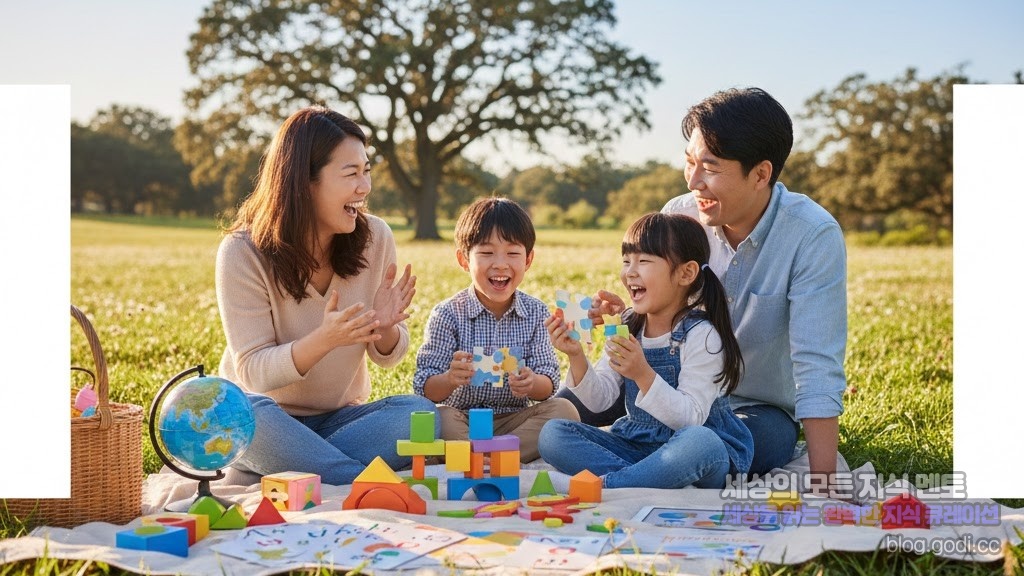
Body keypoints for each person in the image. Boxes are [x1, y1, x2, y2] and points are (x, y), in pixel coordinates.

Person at [560, 87, 847, 491]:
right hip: (662, 390)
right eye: (690, 163)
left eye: (710, 168)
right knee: (563, 415)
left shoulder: (811, 235)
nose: (694, 182)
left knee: (739, 442)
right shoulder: (679, 216)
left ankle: (623, 479)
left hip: (751, 410)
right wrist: (629, 314)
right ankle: (656, 469)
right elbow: (664, 304)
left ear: (761, 174)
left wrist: (825, 482)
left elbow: (816, 367)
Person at [215, 105, 438, 485]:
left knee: (420, 414)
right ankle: (359, 479)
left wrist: (384, 327)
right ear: (304, 182)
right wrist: (325, 339)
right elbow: (253, 371)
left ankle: (292, 463)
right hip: (267, 414)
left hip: (340, 419)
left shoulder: (375, 237)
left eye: (366, 171)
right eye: (351, 174)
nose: (364, 187)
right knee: (236, 417)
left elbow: (388, 357)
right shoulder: (242, 251)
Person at [538, 212, 753, 490]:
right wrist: (576, 355)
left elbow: (689, 418)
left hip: (696, 452)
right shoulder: (629, 326)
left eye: (644, 261)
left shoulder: (702, 335)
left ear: (686, 273)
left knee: (700, 442)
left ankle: (614, 483)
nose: (630, 272)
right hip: (637, 445)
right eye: (626, 261)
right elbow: (600, 400)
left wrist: (642, 374)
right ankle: (648, 477)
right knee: (553, 434)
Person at [413, 197, 579, 462]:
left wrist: (530, 383)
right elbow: (424, 387)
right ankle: (498, 458)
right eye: (487, 253)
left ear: (528, 260)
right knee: (439, 418)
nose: (500, 264)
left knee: (564, 411)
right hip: (462, 419)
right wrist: (450, 379)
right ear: (463, 260)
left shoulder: (536, 312)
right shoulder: (447, 314)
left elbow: (548, 384)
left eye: (512, 253)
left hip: (514, 421)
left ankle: (481, 458)